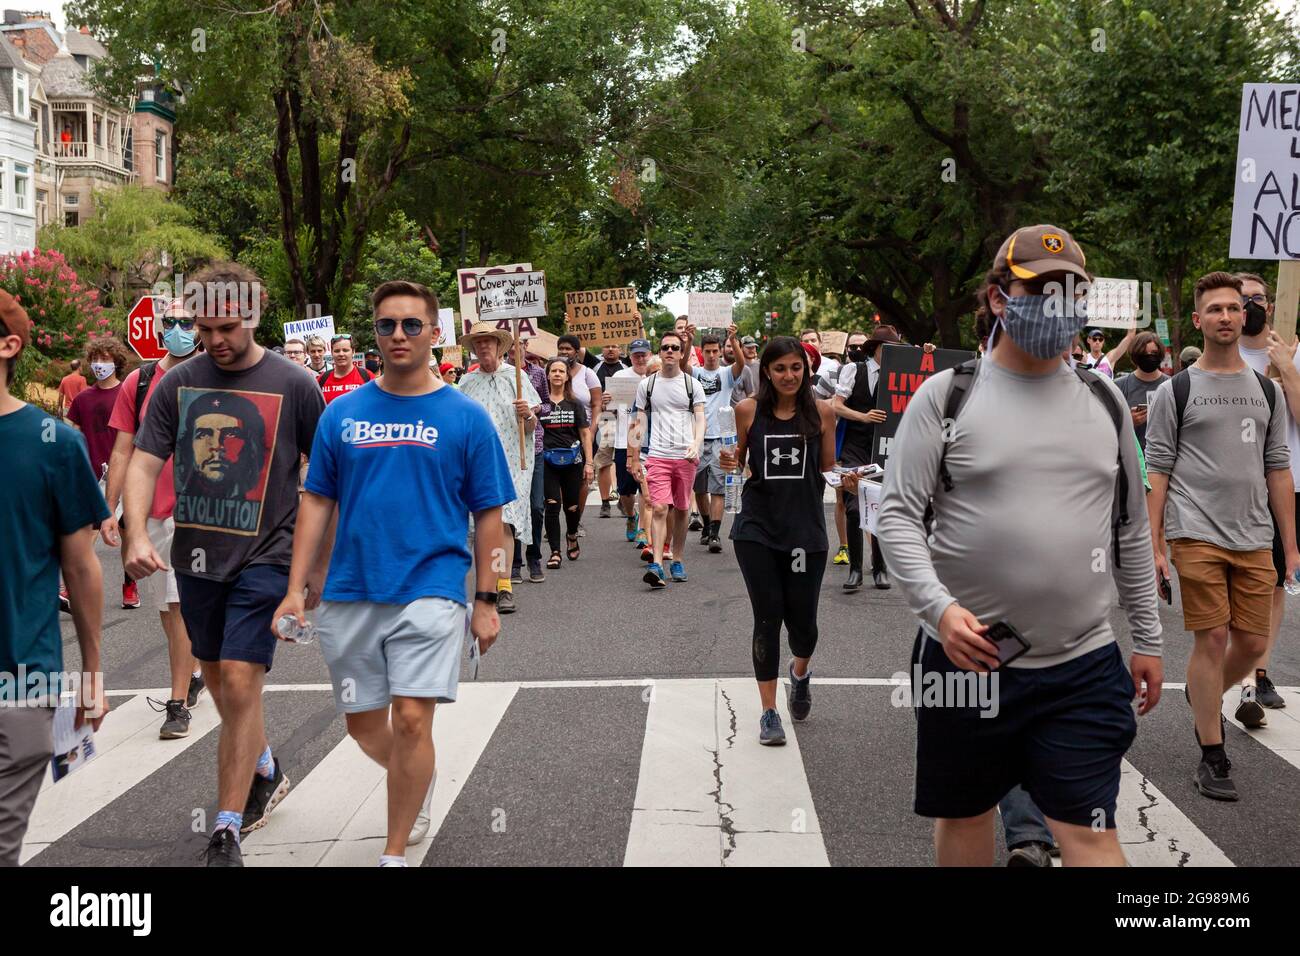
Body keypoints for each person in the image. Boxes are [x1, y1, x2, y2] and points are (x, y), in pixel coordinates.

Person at [877, 223, 1162, 866]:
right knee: (968, 817)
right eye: (1042, 290)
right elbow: (897, 517)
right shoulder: (947, 396)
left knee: (1089, 834)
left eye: (1072, 292)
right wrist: (939, 612)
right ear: (1001, 298)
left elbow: (1129, 529)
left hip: (1083, 665)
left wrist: (1147, 637)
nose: (1060, 307)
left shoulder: (1105, 401)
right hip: (967, 669)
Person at [274, 280, 512, 867]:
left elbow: (490, 517)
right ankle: (419, 773)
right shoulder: (343, 413)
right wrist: (293, 589)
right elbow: (316, 502)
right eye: (387, 325)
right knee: (363, 727)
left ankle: (394, 852)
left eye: (411, 324)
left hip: (432, 589)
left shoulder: (466, 418)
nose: (399, 335)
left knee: (410, 718)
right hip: (350, 592)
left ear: (435, 332)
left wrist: (487, 596)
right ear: (375, 333)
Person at [123, 262, 326, 866]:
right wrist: (136, 532)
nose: (215, 339)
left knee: (239, 681)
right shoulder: (174, 383)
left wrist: (314, 566)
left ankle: (227, 829)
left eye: (228, 326)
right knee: (216, 679)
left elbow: (327, 477)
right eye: (202, 326)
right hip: (197, 556)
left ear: (255, 313)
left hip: (270, 553)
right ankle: (263, 763)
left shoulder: (295, 384)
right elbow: (143, 461)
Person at [1145, 271, 1297, 801]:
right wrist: (1156, 544)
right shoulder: (1176, 390)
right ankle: (1212, 755)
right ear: (1198, 320)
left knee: (1253, 643)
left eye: (1234, 308)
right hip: (1195, 531)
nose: (1226, 316)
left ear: (1244, 314)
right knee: (1211, 637)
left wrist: (1292, 544)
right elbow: (1158, 468)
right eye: (1215, 310)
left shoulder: (1266, 391)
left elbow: (1279, 467)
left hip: (1255, 532)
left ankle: (1203, 693)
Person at [0, 290, 110, 867]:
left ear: (8, 345)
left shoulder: (55, 446)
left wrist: (93, 673)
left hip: (17, 685)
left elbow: (81, 567)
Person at [720, 336, 837, 744]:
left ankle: (800, 671)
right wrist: (729, 461)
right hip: (757, 528)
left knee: (803, 623)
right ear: (766, 372)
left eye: (796, 368)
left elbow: (828, 468)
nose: (789, 375)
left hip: (805, 531)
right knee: (767, 617)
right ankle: (769, 712)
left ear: (806, 371)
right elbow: (738, 459)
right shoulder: (747, 410)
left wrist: (852, 480)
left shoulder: (822, 412)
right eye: (781, 368)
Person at [102, 299, 205, 738]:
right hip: (152, 512)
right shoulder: (139, 381)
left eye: (187, 322)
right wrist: (110, 510)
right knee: (168, 608)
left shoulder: (213, 376)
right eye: (171, 322)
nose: (179, 328)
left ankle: (178, 701)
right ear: (160, 327)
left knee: (179, 602)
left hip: (202, 513)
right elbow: (123, 450)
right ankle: (195, 669)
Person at [1236, 271, 1299, 714]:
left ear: (1270, 306)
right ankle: (1240, 668)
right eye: (1242, 301)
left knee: (1275, 582)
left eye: (1257, 299)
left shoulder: (1292, 354)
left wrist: (1289, 371)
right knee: (1242, 582)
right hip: (1238, 488)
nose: (1250, 307)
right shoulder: (1223, 356)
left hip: (1289, 487)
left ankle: (1258, 672)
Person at [457, 322, 541, 614]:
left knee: (504, 520)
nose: (483, 347)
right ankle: (487, 583)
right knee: (482, 522)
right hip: (477, 462)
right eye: (478, 343)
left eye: (488, 342)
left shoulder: (516, 378)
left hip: (512, 462)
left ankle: (502, 585)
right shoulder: (466, 384)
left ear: (498, 345)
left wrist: (527, 413)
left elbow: (531, 427)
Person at [66, 336, 137, 611]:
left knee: (126, 533)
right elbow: (73, 431)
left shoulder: (128, 393)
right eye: (95, 359)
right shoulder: (83, 399)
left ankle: (130, 584)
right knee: (88, 534)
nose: (99, 364)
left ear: (116, 362)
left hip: (126, 476)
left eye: (105, 359)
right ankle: (72, 588)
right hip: (93, 476)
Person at [629, 330, 704, 588]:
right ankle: (658, 564)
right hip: (658, 456)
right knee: (659, 507)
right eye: (665, 348)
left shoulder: (691, 385)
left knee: (682, 510)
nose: (670, 351)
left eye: (674, 348)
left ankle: (678, 559)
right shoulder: (647, 385)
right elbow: (638, 423)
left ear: (682, 353)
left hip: (685, 457)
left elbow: (700, 418)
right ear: (659, 353)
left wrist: (696, 444)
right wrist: (635, 458)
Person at [834, 325, 898, 590]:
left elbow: (930, 370)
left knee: (880, 504)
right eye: (889, 348)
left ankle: (880, 568)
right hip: (855, 445)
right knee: (852, 504)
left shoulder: (900, 372)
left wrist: (927, 352)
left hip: (885, 447)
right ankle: (856, 570)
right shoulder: (854, 370)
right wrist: (864, 416)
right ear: (875, 349)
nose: (894, 353)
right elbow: (836, 405)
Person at [690, 325, 746, 551]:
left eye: (716, 351)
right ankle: (705, 526)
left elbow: (741, 364)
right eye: (708, 351)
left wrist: (734, 339)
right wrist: (688, 340)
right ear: (702, 352)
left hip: (721, 440)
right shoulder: (695, 374)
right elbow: (683, 365)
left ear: (721, 352)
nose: (712, 355)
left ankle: (715, 534)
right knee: (699, 489)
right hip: (697, 438)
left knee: (718, 489)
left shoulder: (726, 374)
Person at [537, 357, 594, 568]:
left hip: (573, 462)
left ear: (567, 376)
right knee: (551, 506)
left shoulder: (575, 403)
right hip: (547, 461)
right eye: (554, 371)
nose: (558, 374)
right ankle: (554, 552)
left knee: (571, 507)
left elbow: (585, 434)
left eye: (562, 371)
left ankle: (572, 535)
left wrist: (589, 463)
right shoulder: (541, 405)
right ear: (548, 375)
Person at [608, 339, 654, 548]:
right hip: (623, 440)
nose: (640, 358)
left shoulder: (656, 375)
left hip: (651, 442)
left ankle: (644, 531)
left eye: (644, 354)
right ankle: (630, 515)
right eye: (636, 354)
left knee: (647, 490)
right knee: (626, 491)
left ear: (650, 354)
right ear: (631, 356)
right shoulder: (620, 376)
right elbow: (610, 411)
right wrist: (607, 400)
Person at [555, 335, 602, 526]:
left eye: (568, 349)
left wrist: (591, 431)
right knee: (558, 479)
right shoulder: (552, 371)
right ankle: (556, 520)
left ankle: (575, 521)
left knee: (582, 479)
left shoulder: (588, 373)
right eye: (561, 348)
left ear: (577, 351)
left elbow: (597, 404)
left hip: (584, 434)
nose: (564, 352)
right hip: (558, 434)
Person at [1115, 331, 1166, 451]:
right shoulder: (1118, 386)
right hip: (1132, 458)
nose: (1149, 357)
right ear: (1135, 355)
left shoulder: (1173, 385)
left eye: (1154, 353)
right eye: (1144, 353)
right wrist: (1128, 422)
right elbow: (1106, 428)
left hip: (1165, 458)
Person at [318, 333, 374, 404]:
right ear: (332, 353)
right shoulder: (322, 379)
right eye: (337, 351)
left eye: (345, 350)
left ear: (353, 352)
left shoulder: (367, 376)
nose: (341, 354)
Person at [731, 336, 760, 404]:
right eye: (748, 347)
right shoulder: (736, 368)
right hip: (741, 407)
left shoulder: (760, 365)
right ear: (741, 348)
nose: (751, 350)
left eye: (753, 347)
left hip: (759, 406)